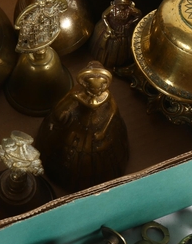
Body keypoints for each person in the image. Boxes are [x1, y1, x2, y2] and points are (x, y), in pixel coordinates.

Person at [35, 61, 129, 192]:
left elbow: (113, 111)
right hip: (76, 123)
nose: (95, 95)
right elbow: (61, 106)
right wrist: (62, 114)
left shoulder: (106, 95)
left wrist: (103, 130)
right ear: (85, 84)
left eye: (99, 90)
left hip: (99, 124)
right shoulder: (77, 93)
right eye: (92, 90)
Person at [90, 0, 141, 70]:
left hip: (124, 31)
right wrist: (108, 27)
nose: (122, 7)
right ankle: (105, 60)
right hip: (112, 27)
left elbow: (139, 14)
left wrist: (130, 23)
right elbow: (104, 16)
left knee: (123, 48)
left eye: (125, 5)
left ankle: (121, 63)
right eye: (120, 5)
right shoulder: (112, 9)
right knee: (107, 46)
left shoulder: (130, 10)